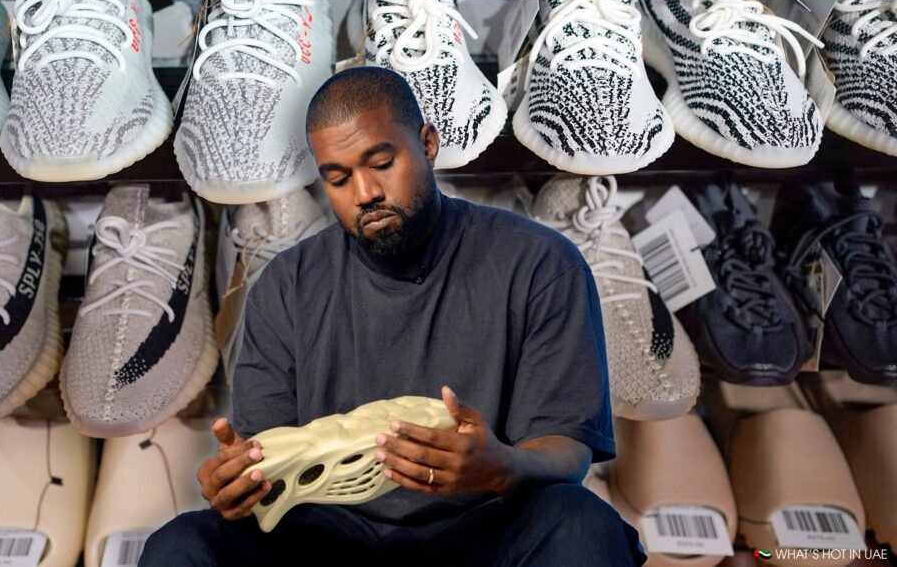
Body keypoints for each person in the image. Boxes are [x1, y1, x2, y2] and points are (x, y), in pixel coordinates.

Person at [140, 67, 646, 566]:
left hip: (483, 525)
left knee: (581, 522)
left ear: (427, 144)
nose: (364, 194)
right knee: (180, 543)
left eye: (381, 162)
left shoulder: (541, 263)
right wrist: (238, 482)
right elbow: (272, 455)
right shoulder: (286, 283)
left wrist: (499, 466)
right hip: (326, 535)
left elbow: (567, 449)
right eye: (337, 179)